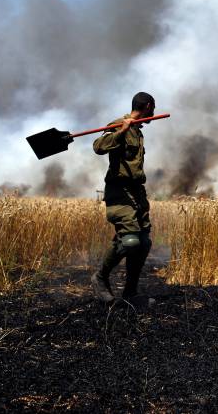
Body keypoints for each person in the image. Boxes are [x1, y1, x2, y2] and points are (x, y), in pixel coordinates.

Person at [90, 91, 156, 307]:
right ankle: (100, 277)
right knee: (130, 240)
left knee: (143, 242)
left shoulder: (138, 131)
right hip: (120, 191)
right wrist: (122, 130)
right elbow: (98, 147)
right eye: (152, 107)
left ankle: (130, 293)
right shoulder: (121, 124)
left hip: (137, 191)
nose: (153, 111)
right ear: (147, 106)